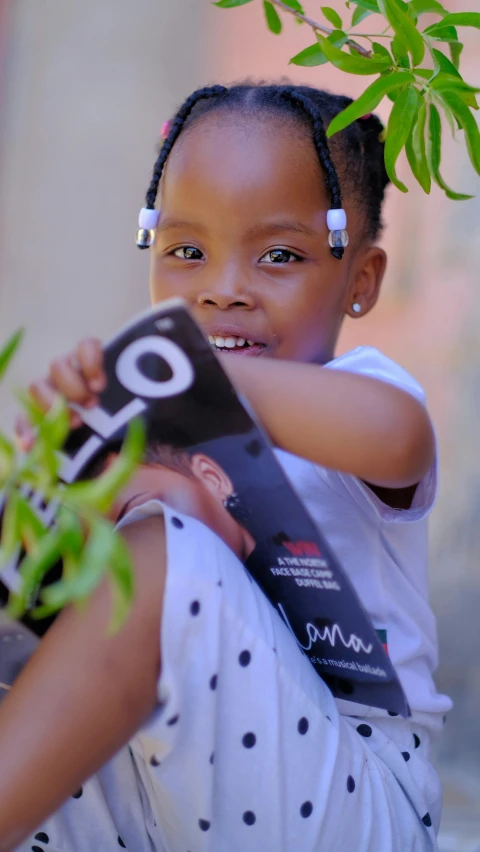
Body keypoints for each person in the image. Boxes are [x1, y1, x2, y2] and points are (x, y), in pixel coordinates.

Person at [1, 83, 452, 852]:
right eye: (186, 252)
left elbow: (401, 438)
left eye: (279, 255)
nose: (222, 290)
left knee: (154, 557)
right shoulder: (142, 425)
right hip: (160, 799)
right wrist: (66, 471)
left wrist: (199, 372)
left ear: (361, 281)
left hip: (352, 797)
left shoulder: (358, 394)